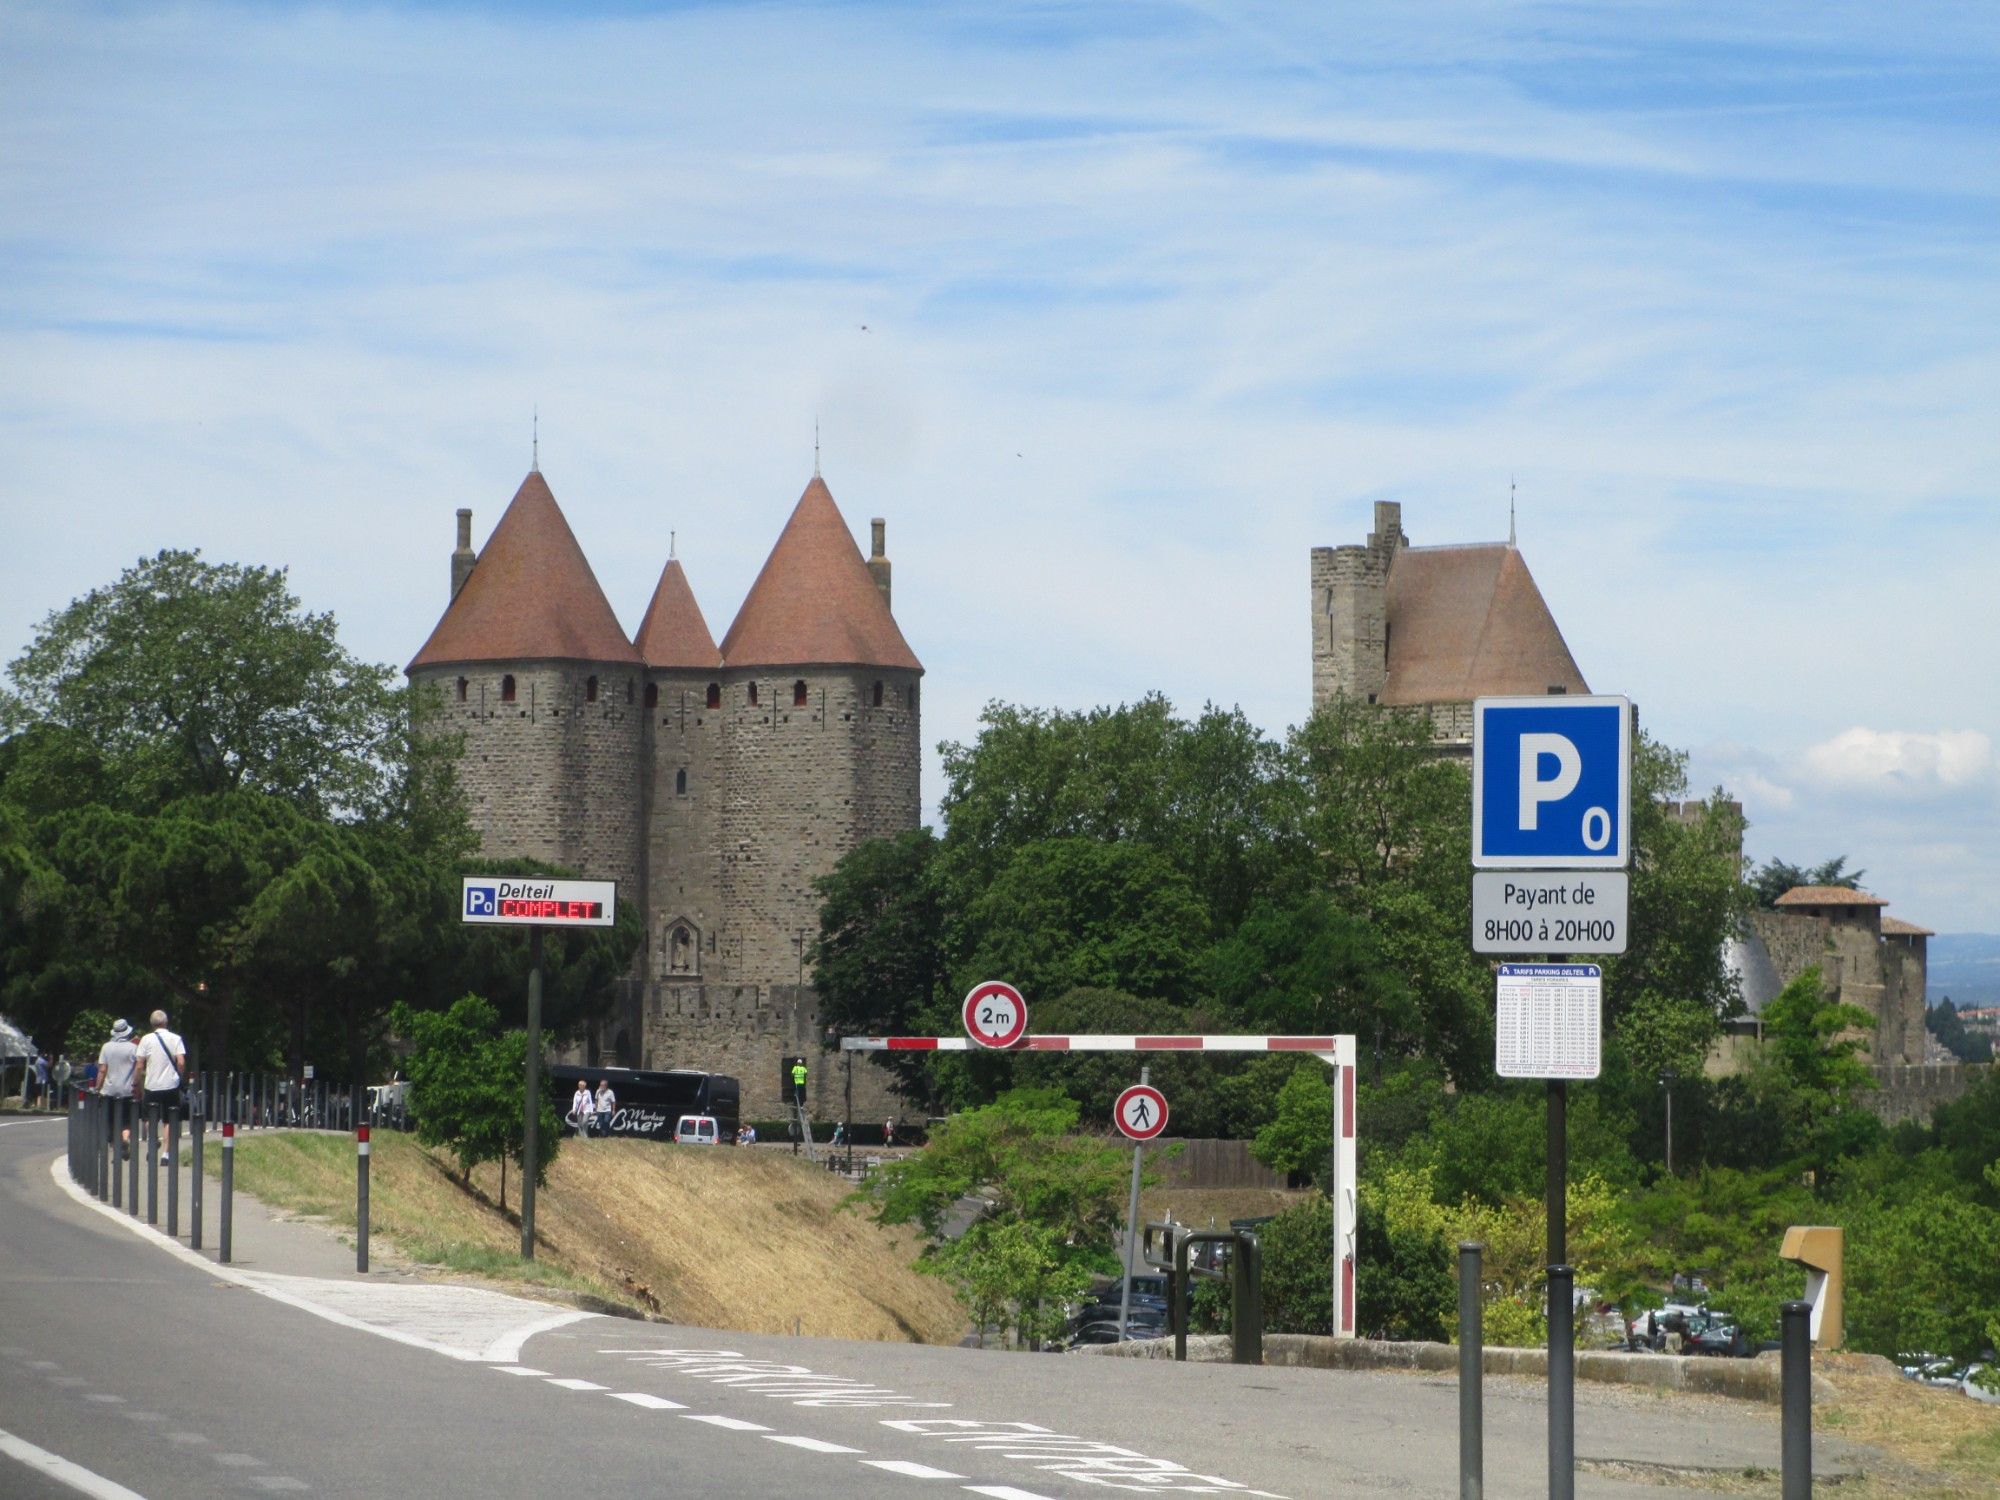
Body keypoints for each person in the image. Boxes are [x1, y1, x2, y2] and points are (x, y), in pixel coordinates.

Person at [134, 1010, 187, 1165]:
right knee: (169, 1119)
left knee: (148, 1117)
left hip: (152, 1085)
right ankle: (166, 1154)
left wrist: (136, 1083)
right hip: (171, 1084)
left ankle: (153, 1139)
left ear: (152, 1024)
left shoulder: (146, 1040)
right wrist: (179, 1075)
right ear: (166, 1022)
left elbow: (139, 1065)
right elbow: (181, 1062)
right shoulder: (176, 1039)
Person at [97, 1019, 139, 1157]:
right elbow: (137, 1070)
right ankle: (125, 1139)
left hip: (109, 1091)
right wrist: (138, 1087)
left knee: (110, 1121)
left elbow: (102, 1070)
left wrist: (97, 1088)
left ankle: (116, 1150)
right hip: (127, 1091)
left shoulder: (106, 1047)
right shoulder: (133, 1048)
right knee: (126, 1120)